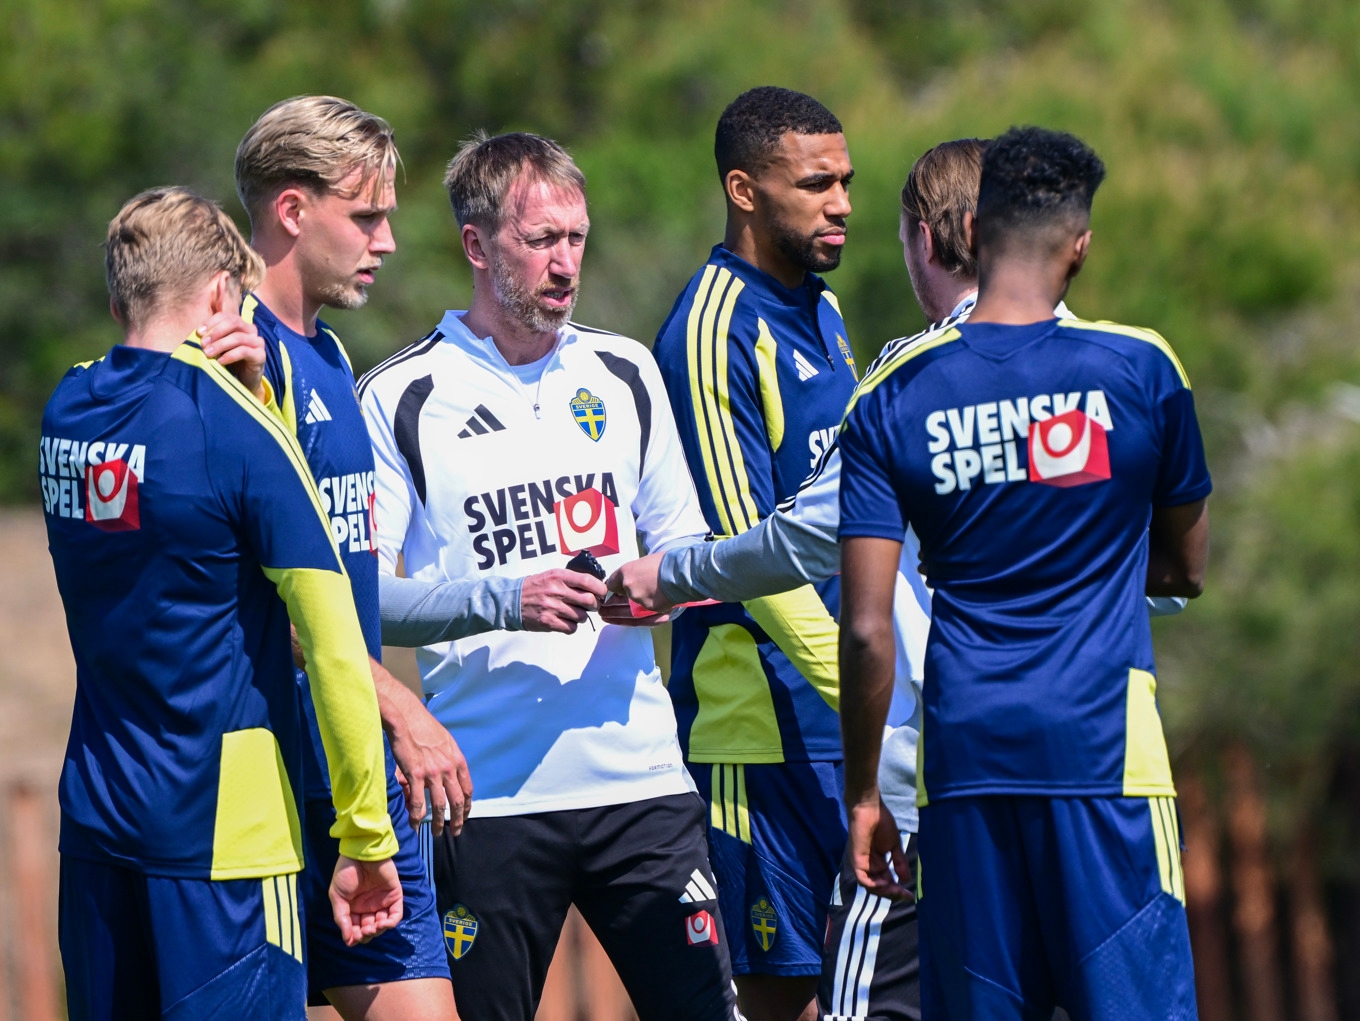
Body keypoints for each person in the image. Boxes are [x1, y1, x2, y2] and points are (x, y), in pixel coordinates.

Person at [358, 131, 739, 1021]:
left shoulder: (627, 370)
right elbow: (361, 602)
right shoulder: (399, 396)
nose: (566, 263)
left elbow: (686, 547)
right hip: (483, 798)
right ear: (476, 245)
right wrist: (507, 598)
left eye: (577, 237)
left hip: (641, 783)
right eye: (542, 241)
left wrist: (657, 584)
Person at [836, 127, 1210, 1019]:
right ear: (1079, 245)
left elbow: (866, 625)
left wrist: (862, 796)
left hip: (965, 766)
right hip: (1107, 761)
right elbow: (1187, 567)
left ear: (973, 230)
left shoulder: (892, 395)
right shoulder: (1140, 369)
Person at [46, 186, 402, 1021]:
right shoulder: (232, 426)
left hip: (98, 824)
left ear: (119, 294)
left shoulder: (66, 407)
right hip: (225, 841)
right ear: (218, 296)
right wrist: (366, 839)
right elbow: (337, 644)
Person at [234, 96, 465, 1020]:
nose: (389, 241)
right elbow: (268, 596)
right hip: (278, 790)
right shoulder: (242, 361)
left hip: (355, 776)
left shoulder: (326, 354)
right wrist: (400, 704)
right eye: (366, 217)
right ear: (293, 210)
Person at [649, 85, 857, 1021]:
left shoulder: (824, 308)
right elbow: (749, 559)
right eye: (816, 183)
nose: (841, 202)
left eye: (847, 181)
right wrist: (874, 696)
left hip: (842, 715)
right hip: (757, 729)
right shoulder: (712, 327)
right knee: (788, 999)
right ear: (744, 188)